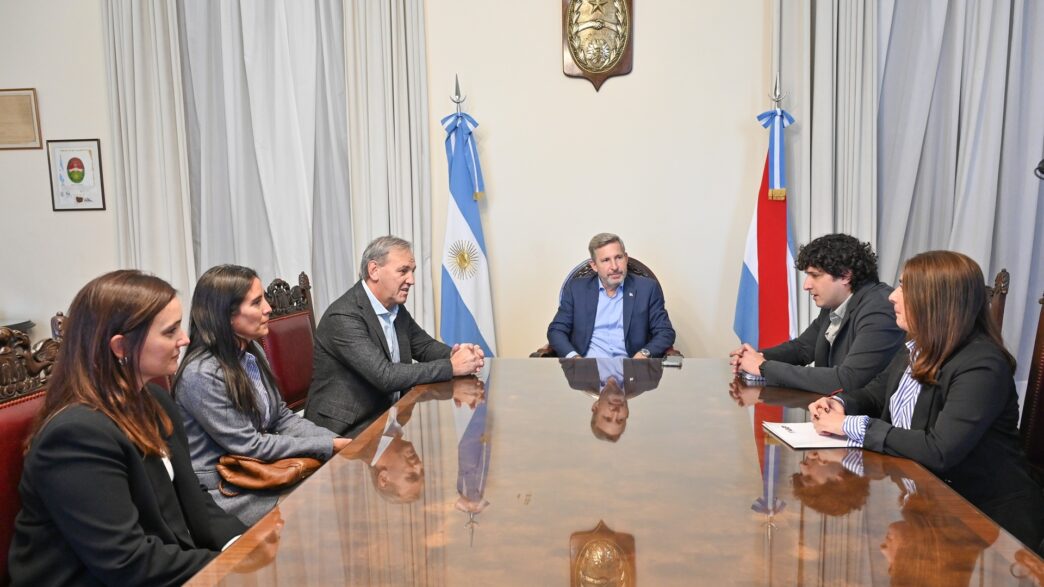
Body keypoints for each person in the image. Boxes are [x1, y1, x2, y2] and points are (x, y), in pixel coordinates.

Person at [8, 270, 247, 586]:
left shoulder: (157, 400)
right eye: (170, 331)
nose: (184, 339)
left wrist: (243, 545)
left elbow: (192, 496)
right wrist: (228, 567)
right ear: (120, 347)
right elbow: (126, 561)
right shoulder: (75, 436)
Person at [810, 250, 1044, 549]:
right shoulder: (918, 346)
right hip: (927, 500)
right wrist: (841, 404)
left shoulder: (981, 365)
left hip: (984, 521)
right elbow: (876, 393)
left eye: (904, 287)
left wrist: (848, 425)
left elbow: (939, 450)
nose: (892, 297)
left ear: (936, 300)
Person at [173, 265, 351, 526]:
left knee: (344, 485)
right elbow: (250, 446)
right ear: (225, 315)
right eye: (257, 303)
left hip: (261, 472)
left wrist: (334, 440)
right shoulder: (201, 374)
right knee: (329, 501)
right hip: (228, 492)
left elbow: (281, 418)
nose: (268, 308)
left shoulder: (251, 350)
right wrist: (328, 446)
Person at [305, 236, 485, 437]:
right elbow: (385, 376)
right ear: (374, 270)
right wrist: (451, 366)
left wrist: (458, 355)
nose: (412, 280)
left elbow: (424, 346)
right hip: (345, 429)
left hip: (388, 416)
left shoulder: (394, 308)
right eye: (403, 271)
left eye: (412, 271)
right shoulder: (343, 316)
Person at [730, 233, 904, 394]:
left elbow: (848, 380)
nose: (806, 285)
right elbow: (802, 349)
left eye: (815, 275)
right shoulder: (835, 302)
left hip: (862, 416)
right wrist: (757, 357)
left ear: (845, 276)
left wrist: (764, 367)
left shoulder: (880, 308)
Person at [547, 233, 676, 359]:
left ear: (626, 258)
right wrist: (574, 358)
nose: (614, 267)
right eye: (606, 260)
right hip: (587, 368)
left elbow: (665, 332)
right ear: (594, 265)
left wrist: (644, 354)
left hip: (631, 368)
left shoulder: (647, 289)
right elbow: (556, 331)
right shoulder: (576, 289)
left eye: (618, 257)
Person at [560, 357, 663, 441]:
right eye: (620, 419)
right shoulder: (649, 379)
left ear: (596, 407)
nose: (616, 413)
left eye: (607, 418)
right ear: (627, 413)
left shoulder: (577, 378)